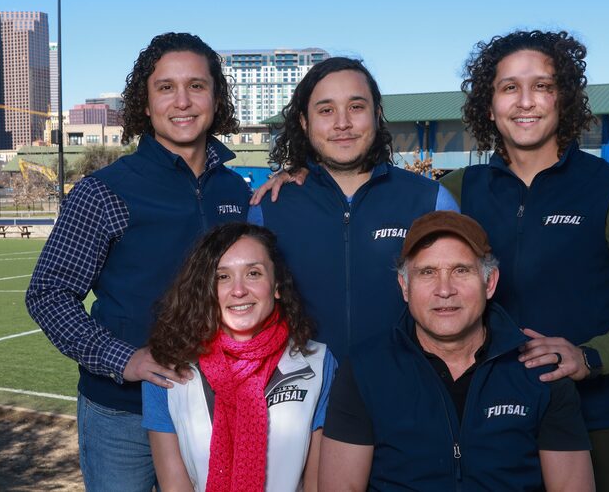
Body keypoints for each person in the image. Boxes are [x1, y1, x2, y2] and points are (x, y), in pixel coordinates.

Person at [441, 29, 609, 491]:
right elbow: (371, 198)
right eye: (509, 87)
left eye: (543, 86)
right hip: (481, 419)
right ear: (489, 106)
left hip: (593, 419)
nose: (526, 101)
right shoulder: (453, 191)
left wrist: (589, 356)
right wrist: (307, 175)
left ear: (564, 99)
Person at [25, 32, 251, 491]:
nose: (182, 101)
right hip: (121, 412)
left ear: (215, 97)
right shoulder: (104, 190)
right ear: (145, 105)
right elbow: (48, 294)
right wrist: (122, 359)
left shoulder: (235, 190)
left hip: (215, 406)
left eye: (197, 85)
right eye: (165, 87)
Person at [320, 211, 594, 491]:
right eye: (427, 272)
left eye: (461, 270)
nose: (445, 290)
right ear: (405, 286)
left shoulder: (541, 371)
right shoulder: (365, 370)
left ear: (489, 282)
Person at [248, 57, 458, 361]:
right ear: (305, 123)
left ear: (377, 114)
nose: (342, 123)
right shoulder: (268, 208)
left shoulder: (431, 201)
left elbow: (463, 300)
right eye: (326, 110)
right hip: (301, 398)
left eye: (356, 107)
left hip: (405, 388)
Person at [142, 222, 335, 492]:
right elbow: (175, 485)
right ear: (205, 289)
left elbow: (316, 485)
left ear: (277, 284)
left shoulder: (318, 362)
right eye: (222, 277)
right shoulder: (166, 368)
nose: (239, 290)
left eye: (253, 273)